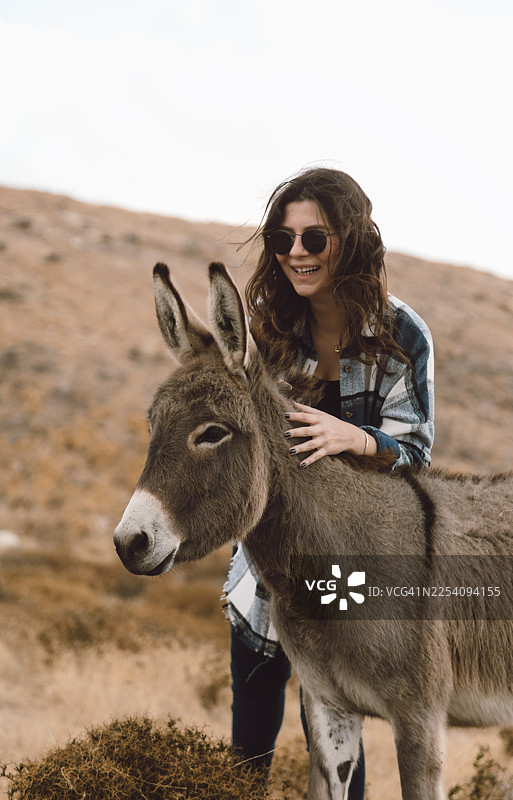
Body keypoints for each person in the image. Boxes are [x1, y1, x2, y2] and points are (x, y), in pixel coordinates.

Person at [224, 167, 434, 797]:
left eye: (313, 238)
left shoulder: (404, 335)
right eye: (281, 240)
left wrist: (357, 439)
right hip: (265, 571)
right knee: (248, 744)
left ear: (351, 239)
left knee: (336, 740)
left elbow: (417, 458)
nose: (296, 253)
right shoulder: (266, 332)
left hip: (347, 570)